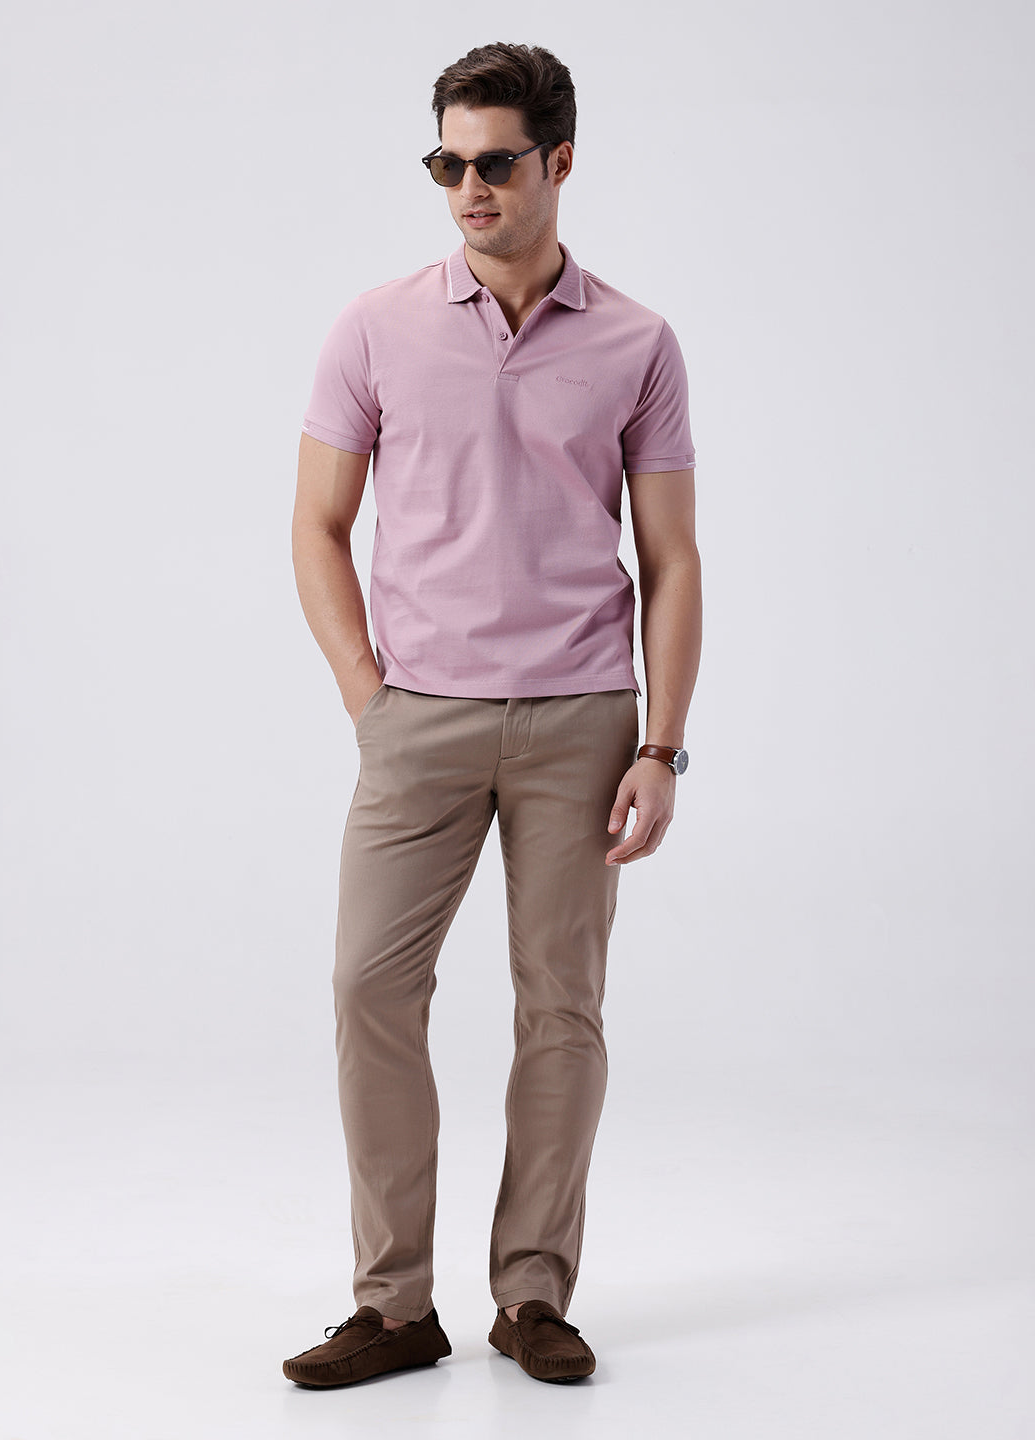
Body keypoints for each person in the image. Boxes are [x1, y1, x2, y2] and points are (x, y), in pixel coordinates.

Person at [282, 41, 701, 1389]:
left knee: (560, 1008)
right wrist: (368, 695)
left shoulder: (637, 341)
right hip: (419, 719)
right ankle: (394, 1305)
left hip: (583, 719)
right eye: (447, 163)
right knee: (368, 986)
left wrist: (660, 745)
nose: (469, 187)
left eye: (496, 163)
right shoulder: (375, 326)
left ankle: (532, 1296)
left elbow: (672, 559)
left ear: (559, 161)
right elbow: (318, 525)